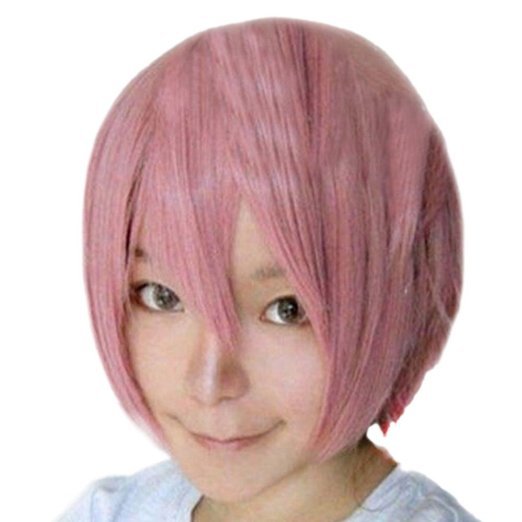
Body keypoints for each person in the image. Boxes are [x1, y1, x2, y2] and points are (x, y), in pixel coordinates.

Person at [57, 17, 480, 521]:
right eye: (161, 296)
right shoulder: (110, 512)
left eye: (287, 309)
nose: (209, 382)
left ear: (397, 300)